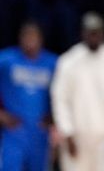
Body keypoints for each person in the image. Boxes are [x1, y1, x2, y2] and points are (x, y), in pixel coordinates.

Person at [51, 11, 104, 171]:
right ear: (82, 33)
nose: (93, 36)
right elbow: (60, 99)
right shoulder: (68, 62)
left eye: (97, 33)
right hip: (76, 138)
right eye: (90, 33)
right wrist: (67, 133)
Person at [0, 20, 58, 171]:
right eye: (26, 36)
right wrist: (1, 115)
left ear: (41, 39)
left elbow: (65, 93)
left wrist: (54, 116)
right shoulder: (6, 60)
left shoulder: (53, 63)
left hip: (40, 133)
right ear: (20, 38)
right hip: (14, 132)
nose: (30, 41)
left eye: (34, 36)